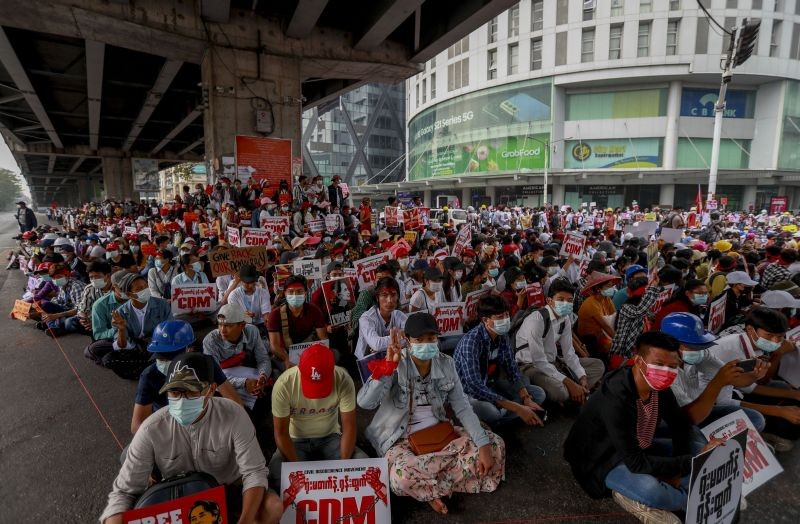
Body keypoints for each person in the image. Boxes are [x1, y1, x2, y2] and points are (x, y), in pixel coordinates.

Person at [99, 352, 283, 524]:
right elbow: (124, 491)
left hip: (229, 487)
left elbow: (254, 472)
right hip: (180, 497)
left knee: (272, 508)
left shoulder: (234, 415)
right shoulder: (151, 429)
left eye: (191, 392)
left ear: (211, 390)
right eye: (174, 392)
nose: (181, 400)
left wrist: (245, 521)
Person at [564, 331, 722, 524]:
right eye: (659, 364)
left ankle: (683, 491)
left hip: (640, 445)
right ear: (639, 361)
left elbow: (680, 426)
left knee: (701, 449)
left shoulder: (659, 388)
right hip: (604, 459)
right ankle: (660, 496)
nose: (666, 371)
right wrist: (691, 463)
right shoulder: (615, 397)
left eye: (672, 366)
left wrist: (679, 470)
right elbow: (635, 463)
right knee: (651, 490)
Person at [357, 313, 505, 515]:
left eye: (431, 339)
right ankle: (429, 485)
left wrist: (484, 446)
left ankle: (426, 487)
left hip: (440, 435)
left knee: (495, 445)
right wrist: (388, 367)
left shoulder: (446, 363)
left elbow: (462, 407)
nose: (426, 344)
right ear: (407, 341)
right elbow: (365, 403)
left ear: (437, 339)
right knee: (400, 477)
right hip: (399, 440)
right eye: (419, 340)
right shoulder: (395, 362)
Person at [269, 343, 366, 486]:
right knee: (276, 473)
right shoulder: (284, 384)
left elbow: (349, 426)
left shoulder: (343, 379)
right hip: (295, 440)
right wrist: (298, 470)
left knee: (363, 465)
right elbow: (281, 433)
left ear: (333, 369)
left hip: (331, 437)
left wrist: (344, 466)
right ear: (299, 369)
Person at [131, 320, 242, 434]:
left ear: (189, 349)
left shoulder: (206, 364)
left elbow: (235, 403)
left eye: (170, 358)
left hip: (204, 421)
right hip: (167, 428)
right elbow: (137, 426)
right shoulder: (149, 376)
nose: (165, 362)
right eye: (161, 358)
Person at [454, 295, 546, 426]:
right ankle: (508, 414)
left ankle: (509, 412)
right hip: (468, 393)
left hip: (492, 384)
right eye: (500, 317)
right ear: (486, 320)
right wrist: (517, 407)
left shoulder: (502, 336)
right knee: (492, 413)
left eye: (507, 315)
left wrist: (526, 398)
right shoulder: (471, 342)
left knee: (537, 394)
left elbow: (512, 369)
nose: (506, 320)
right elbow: (474, 386)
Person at [515, 279, 605, 405]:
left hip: (554, 362)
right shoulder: (536, 320)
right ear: (549, 300)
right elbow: (539, 361)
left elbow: (569, 353)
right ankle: (573, 391)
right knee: (561, 392)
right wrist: (569, 382)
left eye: (569, 300)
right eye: (561, 299)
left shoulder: (565, 319)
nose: (566, 303)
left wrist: (582, 376)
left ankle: (578, 389)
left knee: (598, 365)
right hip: (531, 366)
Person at [106, 273, 173, 379]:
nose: (146, 290)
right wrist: (122, 329)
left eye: (146, 286)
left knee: (168, 352)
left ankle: (145, 370)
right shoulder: (121, 313)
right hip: (137, 349)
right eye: (140, 288)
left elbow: (170, 331)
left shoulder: (161, 304)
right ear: (129, 294)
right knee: (108, 359)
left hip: (158, 346)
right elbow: (122, 345)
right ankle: (150, 369)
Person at [267, 275, 327, 368]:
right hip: (284, 354)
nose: (295, 295)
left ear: (305, 293)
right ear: (285, 293)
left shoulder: (314, 310)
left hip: (309, 352)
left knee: (334, 355)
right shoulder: (275, 314)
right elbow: (274, 346)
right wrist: (287, 358)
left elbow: (323, 338)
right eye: (291, 292)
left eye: (299, 291)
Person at [355, 277, 408, 359]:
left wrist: (383, 345)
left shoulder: (399, 315)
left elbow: (411, 337)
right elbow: (376, 344)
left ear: (398, 297)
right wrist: (400, 337)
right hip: (367, 361)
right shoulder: (366, 318)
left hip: (391, 357)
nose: (389, 300)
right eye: (384, 295)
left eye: (393, 295)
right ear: (377, 298)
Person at [576, 271, 621, 356]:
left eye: (611, 286)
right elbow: (605, 326)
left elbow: (615, 317)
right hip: (590, 339)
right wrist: (618, 341)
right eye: (608, 286)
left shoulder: (606, 299)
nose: (611, 288)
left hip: (602, 333)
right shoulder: (591, 303)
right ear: (598, 289)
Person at [226, 265, 272, 338]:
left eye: (252, 282)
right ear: (241, 281)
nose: (250, 285)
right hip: (241, 327)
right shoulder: (233, 295)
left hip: (260, 325)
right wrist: (244, 317)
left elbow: (266, 312)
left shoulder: (263, 293)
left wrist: (267, 319)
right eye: (247, 283)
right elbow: (233, 317)